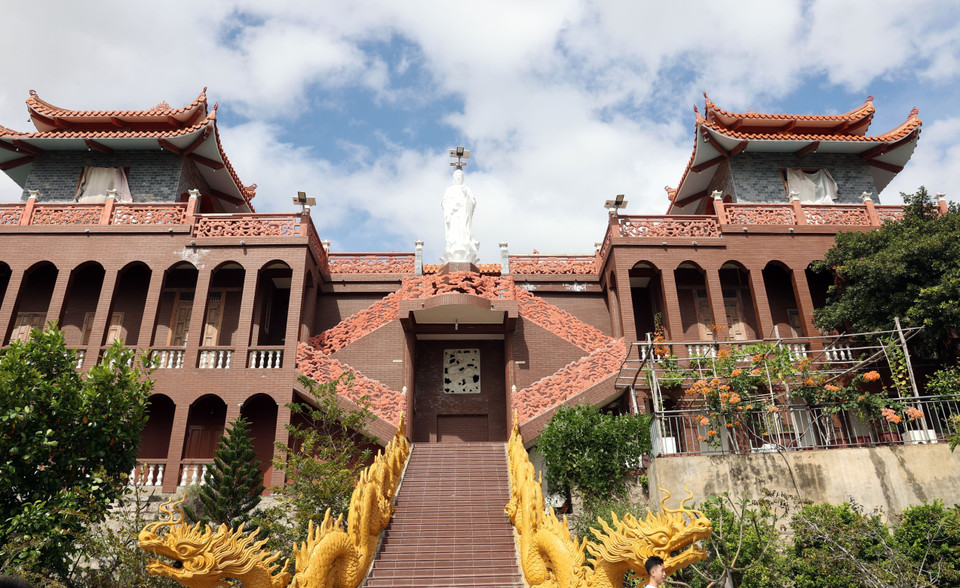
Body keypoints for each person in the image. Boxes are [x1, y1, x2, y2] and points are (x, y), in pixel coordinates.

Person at [441, 167, 479, 264]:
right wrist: (452, 207)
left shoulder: (467, 189)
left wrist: (466, 196)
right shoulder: (449, 190)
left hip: (463, 215)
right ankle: (453, 247)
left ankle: (465, 246)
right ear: (453, 178)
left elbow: (473, 202)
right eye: (457, 176)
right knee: (454, 233)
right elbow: (444, 203)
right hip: (454, 215)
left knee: (464, 232)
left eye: (460, 176)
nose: (459, 178)